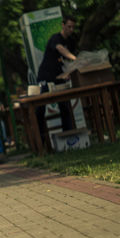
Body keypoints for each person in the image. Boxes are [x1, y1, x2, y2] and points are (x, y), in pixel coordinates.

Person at [36, 15, 77, 143]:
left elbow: (67, 62)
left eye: (73, 27)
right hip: (45, 76)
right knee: (40, 107)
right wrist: (75, 59)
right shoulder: (55, 38)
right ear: (63, 25)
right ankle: (41, 140)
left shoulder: (71, 41)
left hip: (60, 77)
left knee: (65, 105)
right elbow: (61, 49)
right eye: (69, 26)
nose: (71, 29)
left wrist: (70, 70)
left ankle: (68, 137)